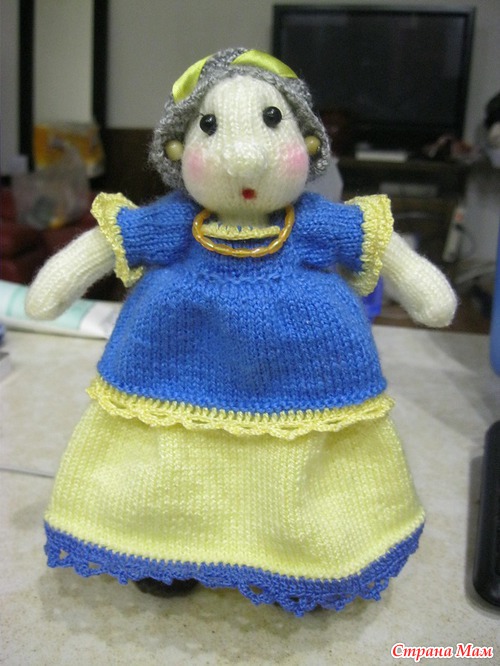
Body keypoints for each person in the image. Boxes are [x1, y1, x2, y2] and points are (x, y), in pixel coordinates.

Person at [26, 48, 456, 616]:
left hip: (305, 374)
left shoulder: (314, 221)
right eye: (210, 128)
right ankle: (162, 545)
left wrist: (424, 288)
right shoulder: (177, 219)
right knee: (173, 460)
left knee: (300, 464)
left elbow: (383, 250)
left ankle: (305, 557)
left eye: (272, 120)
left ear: (308, 142)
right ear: (178, 150)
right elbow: (115, 239)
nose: (244, 157)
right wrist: (56, 285)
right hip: (174, 362)